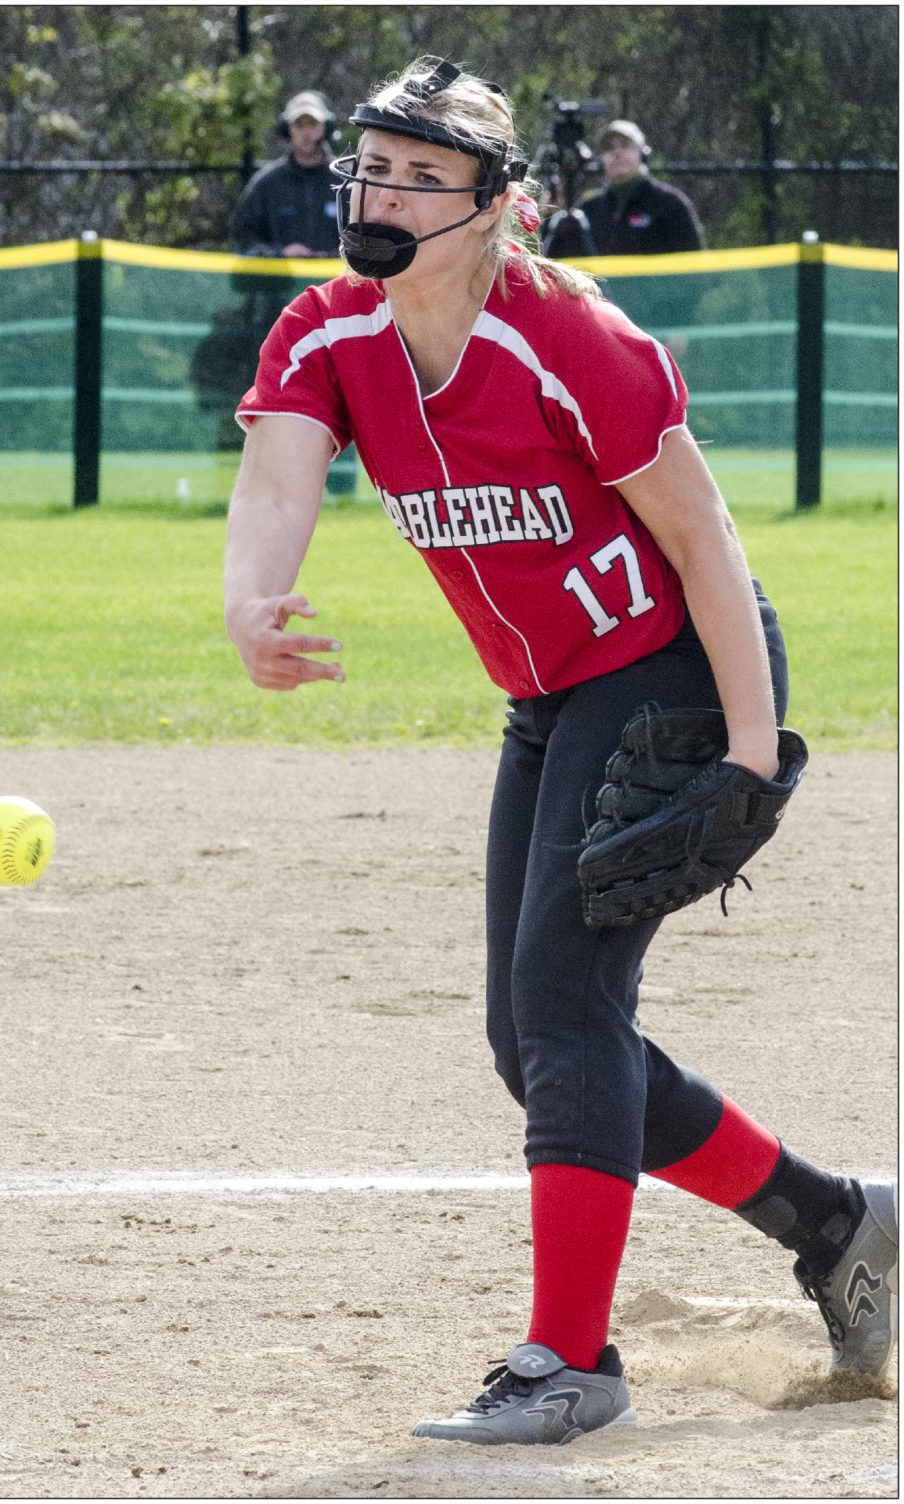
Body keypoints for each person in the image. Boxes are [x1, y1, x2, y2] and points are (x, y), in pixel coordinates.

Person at [222, 55, 895, 1445]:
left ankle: (569, 1363)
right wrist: (251, 605)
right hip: (550, 694)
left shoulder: (570, 337)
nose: (383, 191)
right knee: (531, 1045)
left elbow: (706, 543)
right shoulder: (328, 334)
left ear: (494, 207)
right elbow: (279, 474)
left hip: (672, 672)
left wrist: (756, 751)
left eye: (422, 174)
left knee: (565, 1004)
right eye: (375, 166)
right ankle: (842, 1226)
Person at [561, 119, 705, 256]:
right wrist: (552, 215)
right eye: (609, 147)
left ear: (643, 154)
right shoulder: (588, 208)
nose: (617, 153)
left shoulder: (670, 204)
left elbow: (695, 266)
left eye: (625, 145)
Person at [231, 90, 340, 258]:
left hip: (338, 281)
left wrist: (334, 256)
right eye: (299, 124)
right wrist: (279, 253)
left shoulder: (346, 181)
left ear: (326, 127)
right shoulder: (266, 183)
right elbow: (243, 241)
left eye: (312, 124)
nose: (306, 132)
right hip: (280, 283)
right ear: (286, 128)